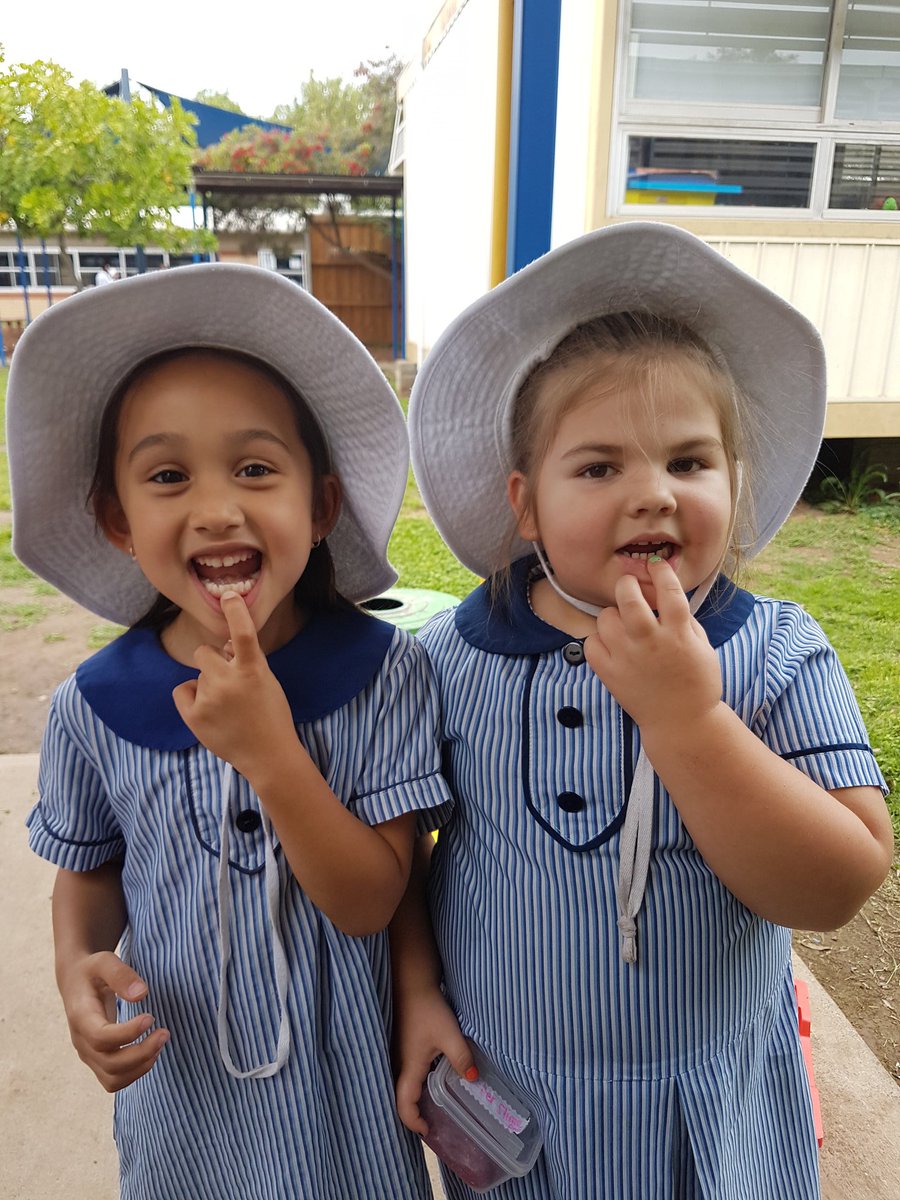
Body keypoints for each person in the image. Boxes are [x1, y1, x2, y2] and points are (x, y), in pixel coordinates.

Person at [391, 222, 893, 1199]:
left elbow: (839, 885)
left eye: (690, 462)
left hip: (708, 1098)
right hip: (523, 1096)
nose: (653, 494)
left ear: (735, 481)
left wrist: (689, 725)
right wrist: (415, 990)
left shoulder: (773, 653)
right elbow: (404, 844)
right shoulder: (452, 659)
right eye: (599, 467)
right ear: (525, 504)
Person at [7, 263, 452, 1199]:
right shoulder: (95, 703)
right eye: (168, 476)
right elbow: (89, 869)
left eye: (255, 468)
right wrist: (76, 967)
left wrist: (270, 752)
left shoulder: (383, 675)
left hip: (345, 1109)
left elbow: (373, 899)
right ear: (117, 518)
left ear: (320, 505)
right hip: (184, 1101)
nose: (216, 510)